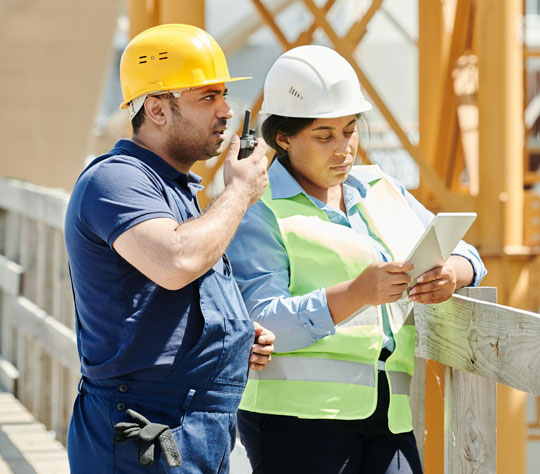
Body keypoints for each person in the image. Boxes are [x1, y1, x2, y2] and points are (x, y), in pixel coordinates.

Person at [227, 45, 487, 474]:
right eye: (324, 136)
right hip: (296, 422)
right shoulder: (258, 209)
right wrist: (356, 293)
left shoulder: (381, 187)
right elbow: (261, 323)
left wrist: (452, 275)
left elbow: (467, 253)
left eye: (350, 131)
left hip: (389, 414)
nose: (344, 149)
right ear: (283, 138)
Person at [64, 24, 275, 474]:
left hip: (191, 422)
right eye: (207, 97)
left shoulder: (173, 190)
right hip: (144, 424)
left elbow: (171, 295)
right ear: (156, 109)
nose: (226, 110)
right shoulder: (115, 180)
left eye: (223, 94)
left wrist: (234, 339)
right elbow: (177, 261)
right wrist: (238, 194)